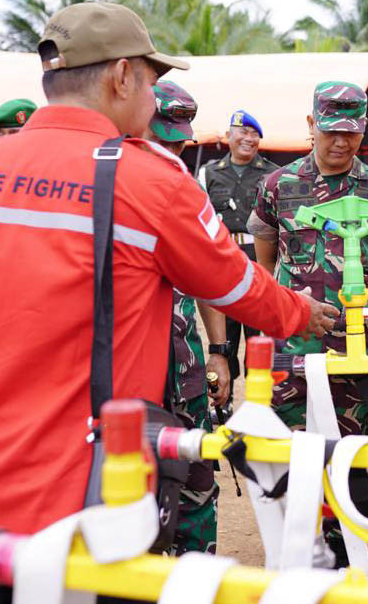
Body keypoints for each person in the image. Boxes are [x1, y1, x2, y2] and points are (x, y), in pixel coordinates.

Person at [0, 1, 338, 603]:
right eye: (155, 81)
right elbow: (237, 288)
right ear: (121, 76)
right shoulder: (152, 183)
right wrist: (302, 312)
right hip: (76, 527)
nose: (156, 101)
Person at [249, 81, 368, 436]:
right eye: (330, 130)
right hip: (294, 348)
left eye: (350, 133)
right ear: (311, 124)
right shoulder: (277, 186)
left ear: (364, 128)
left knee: (353, 460)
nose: (340, 142)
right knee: (290, 456)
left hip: (355, 349)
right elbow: (266, 265)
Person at [144, 80, 234, 555]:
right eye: (164, 140)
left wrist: (219, 353)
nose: (174, 150)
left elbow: (212, 281)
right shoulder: (108, 190)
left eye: (180, 141)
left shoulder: (188, 194)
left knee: (198, 486)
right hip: (132, 383)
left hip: (187, 374)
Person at [201, 109, 280, 382]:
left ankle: (261, 408)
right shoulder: (209, 173)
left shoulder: (272, 173)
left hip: (259, 260)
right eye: (243, 132)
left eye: (254, 134)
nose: (249, 138)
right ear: (228, 135)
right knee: (223, 340)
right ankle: (223, 408)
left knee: (260, 339)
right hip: (224, 260)